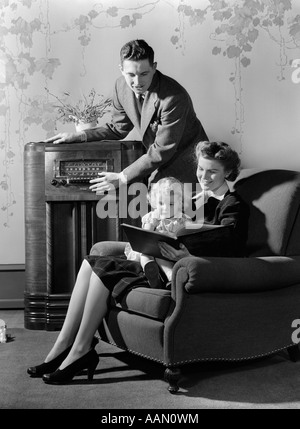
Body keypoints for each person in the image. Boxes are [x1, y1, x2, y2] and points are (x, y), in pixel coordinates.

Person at [27, 141, 248, 385]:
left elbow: (229, 245)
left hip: (177, 270)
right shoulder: (195, 198)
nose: (204, 177)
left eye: (212, 171)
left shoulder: (233, 204)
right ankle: (63, 346)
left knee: (103, 268)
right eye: (201, 170)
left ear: (227, 172)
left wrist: (184, 255)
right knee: (92, 263)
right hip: (158, 258)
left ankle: (80, 351)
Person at [44, 39, 208, 193]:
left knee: (178, 218)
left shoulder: (173, 97)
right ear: (121, 70)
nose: (137, 82)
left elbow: (162, 150)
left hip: (189, 166)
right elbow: (118, 128)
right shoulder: (121, 86)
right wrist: (79, 136)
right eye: (131, 74)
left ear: (154, 67)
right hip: (158, 162)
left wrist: (121, 178)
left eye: (144, 73)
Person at [124, 177, 190, 289]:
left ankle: (170, 278)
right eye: (161, 203)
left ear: (180, 203)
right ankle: (150, 272)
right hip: (150, 250)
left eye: (171, 204)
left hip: (169, 253)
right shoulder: (152, 217)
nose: (165, 208)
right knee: (145, 255)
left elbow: (188, 238)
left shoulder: (183, 220)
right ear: (154, 201)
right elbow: (144, 236)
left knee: (161, 256)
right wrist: (153, 223)